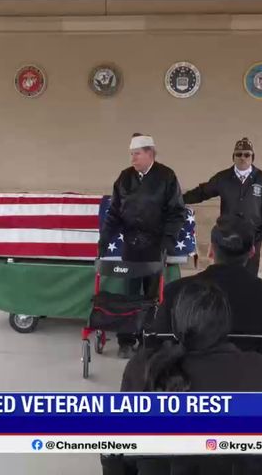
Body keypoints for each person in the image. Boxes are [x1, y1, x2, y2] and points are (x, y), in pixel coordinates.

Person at [114, 281, 262, 475]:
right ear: (226, 324)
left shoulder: (142, 367)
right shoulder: (259, 370)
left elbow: (120, 454)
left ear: (175, 324)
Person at [99, 133, 187, 359]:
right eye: (131, 154)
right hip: (131, 246)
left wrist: (167, 241)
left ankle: (149, 339)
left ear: (150, 154)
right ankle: (126, 341)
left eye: (136, 154)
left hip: (155, 247)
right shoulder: (125, 177)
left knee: (152, 296)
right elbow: (115, 212)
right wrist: (105, 238)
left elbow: (177, 212)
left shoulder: (166, 177)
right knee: (129, 294)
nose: (132, 159)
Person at [149, 214, 262, 339]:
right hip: (257, 365)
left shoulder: (176, 292)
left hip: (193, 366)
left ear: (211, 251)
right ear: (252, 252)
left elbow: (155, 349)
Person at [182, 137, 262, 277]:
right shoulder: (223, 177)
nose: (242, 158)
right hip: (227, 236)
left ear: (252, 157)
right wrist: (179, 199)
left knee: (249, 275)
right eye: (239, 154)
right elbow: (202, 192)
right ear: (233, 157)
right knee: (225, 274)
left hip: (252, 236)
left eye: (247, 154)